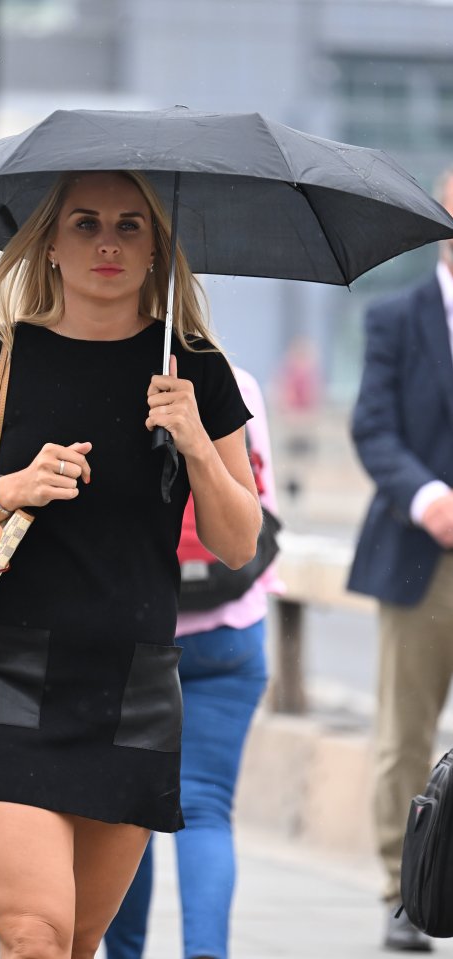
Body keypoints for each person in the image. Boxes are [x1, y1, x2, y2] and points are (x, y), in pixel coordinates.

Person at [0, 170, 263, 959]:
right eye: (85, 223)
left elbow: (239, 541)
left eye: (130, 226)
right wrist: (13, 488)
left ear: (157, 249)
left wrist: (195, 438)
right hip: (6, 675)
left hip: (133, 685)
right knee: (33, 935)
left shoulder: (193, 367)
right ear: (49, 245)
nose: (106, 242)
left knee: (80, 940)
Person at [104, 367, 281, 959]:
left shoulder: (104, 374)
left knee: (125, 814)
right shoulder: (235, 381)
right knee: (206, 808)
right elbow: (261, 512)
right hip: (231, 631)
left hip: (132, 636)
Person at [348, 166, 453, 953]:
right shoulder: (394, 318)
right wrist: (427, 497)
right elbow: (372, 428)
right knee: (404, 736)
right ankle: (401, 891)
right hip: (422, 554)